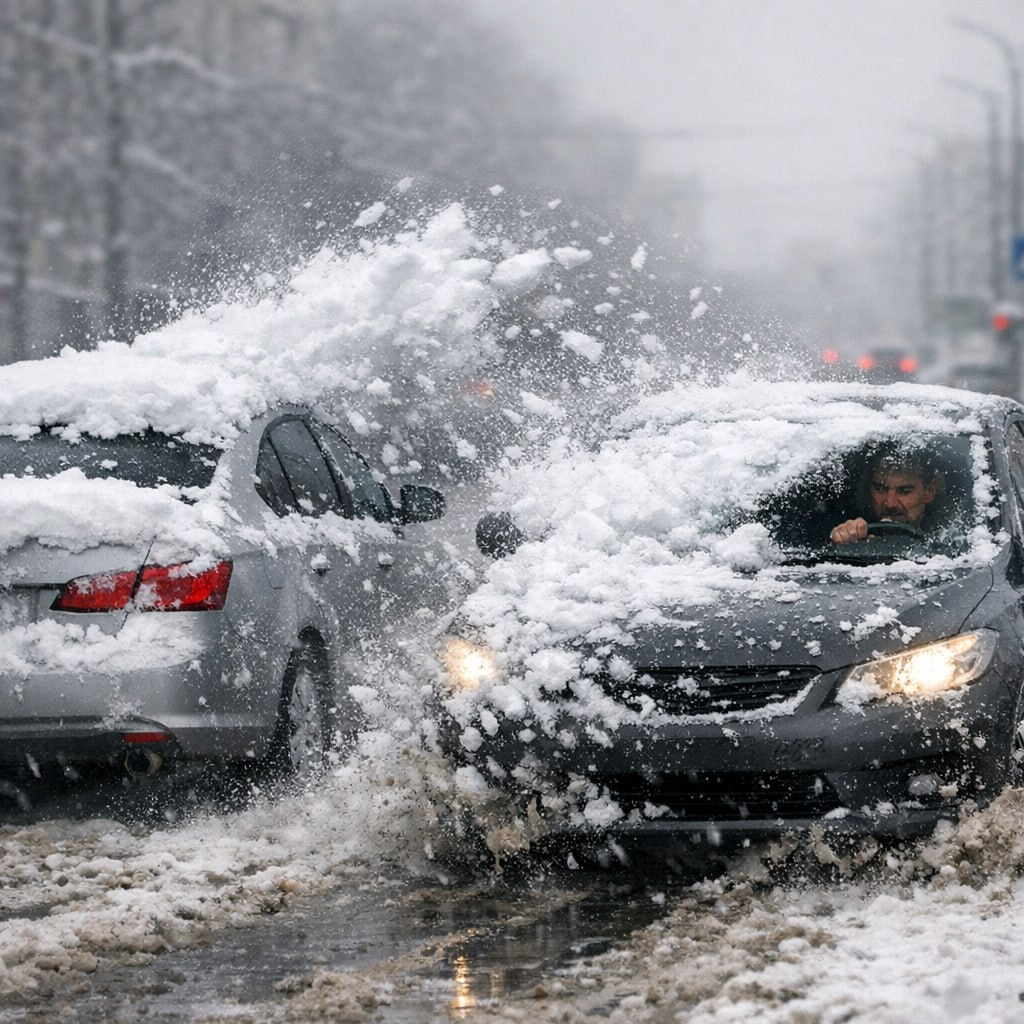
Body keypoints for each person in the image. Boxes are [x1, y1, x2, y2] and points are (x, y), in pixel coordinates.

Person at [830, 447, 938, 545]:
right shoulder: (854, 525)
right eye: (880, 489)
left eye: (904, 491)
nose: (890, 504)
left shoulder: (949, 535)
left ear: (929, 491)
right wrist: (843, 539)